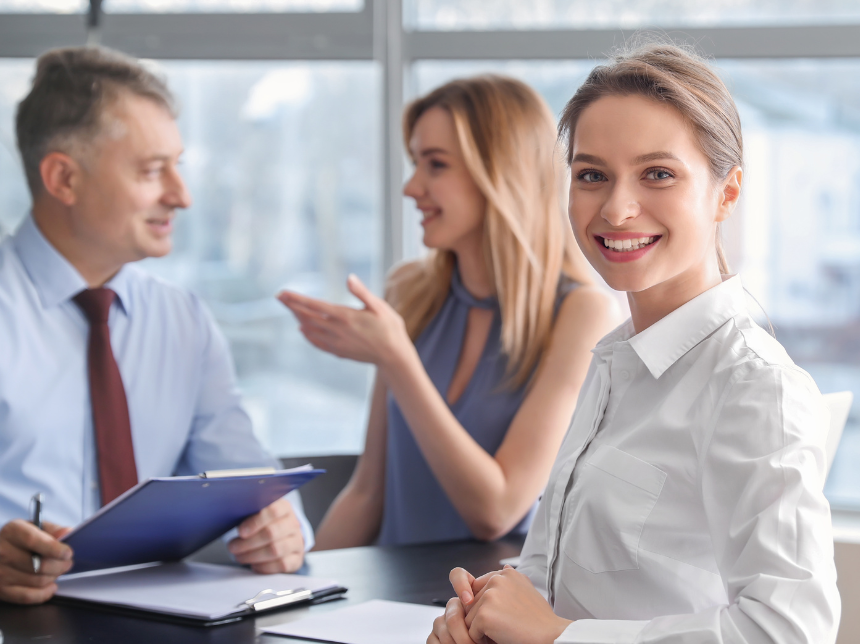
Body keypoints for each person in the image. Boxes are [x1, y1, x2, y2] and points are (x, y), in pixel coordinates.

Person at [428, 43, 842, 644]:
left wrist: (556, 635)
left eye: (658, 174)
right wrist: (486, 617)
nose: (618, 209)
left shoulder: (753, 387)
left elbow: (788, 631)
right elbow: (556, 581)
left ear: (727, 193)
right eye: (592, 175)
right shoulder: (614, 360)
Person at [0, 46, 313, 606]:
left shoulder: (182, 320)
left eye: (178, 165)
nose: (181, 195)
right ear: (63, 178)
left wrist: (284, 528)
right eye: (151, 171)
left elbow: (250, 476)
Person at [277, 75, 617, 549]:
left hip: (486, 611)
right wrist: (303, 598)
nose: (412, 187)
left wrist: (398, 360)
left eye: (435, 165)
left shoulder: (581, 312)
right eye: (415, 163)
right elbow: (367, 492)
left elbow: (496, 510)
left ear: (500, 172)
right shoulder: (409, 292)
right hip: (385, 605)